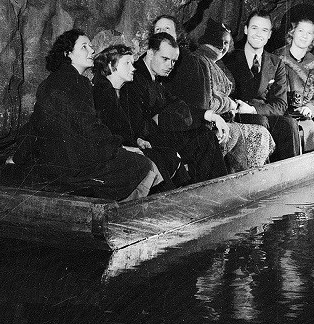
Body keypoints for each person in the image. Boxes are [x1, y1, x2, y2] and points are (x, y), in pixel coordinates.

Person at [25, 30, 160, 201]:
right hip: (76, 168)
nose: (92, 51)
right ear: (68, 54)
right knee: (143, 165)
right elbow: (89, 126)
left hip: (53, 164)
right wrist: (120, 147)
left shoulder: (47, 83)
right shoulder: (79, 82)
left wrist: (17, 158)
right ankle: (118, 213)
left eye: (90, 46)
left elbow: (33, 125)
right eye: (84, 47)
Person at [166, 19, 274, 171]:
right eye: (219, 42)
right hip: (204, 123)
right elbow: (206, 102)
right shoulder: (200, 61)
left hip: (218, 117)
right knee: (259, 132)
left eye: (226, 44)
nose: (223, 47)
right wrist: (230, 104)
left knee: (260, 125)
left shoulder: (215, 62)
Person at [127, 32, 229, 182]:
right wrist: (158, 120)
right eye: (165, 59)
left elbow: (176, 103)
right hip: (147, 141)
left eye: (173, 61)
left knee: (205, 136)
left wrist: (211, 115)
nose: (170, 66)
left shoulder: (153, 77)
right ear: (150, 53)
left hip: (157, 135)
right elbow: (136, 124)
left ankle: (216, 189)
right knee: (203, 140)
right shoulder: (135, 78)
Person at [92, 43, 187, 186]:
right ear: (112, 66)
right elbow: (103, 134)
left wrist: (136, 140)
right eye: (127, 64)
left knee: (168, 156)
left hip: (124, 148)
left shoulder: (116, 91)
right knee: (159, 160)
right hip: (108, 157)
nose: (133, 68)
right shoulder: (103, 92)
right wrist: (129, 146)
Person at [220, 11, 299, 160]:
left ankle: (290, 174)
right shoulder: (228, 59)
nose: (258, 34)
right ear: (246, 30)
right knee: (259, 122)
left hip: (261, 113)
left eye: (264, 30)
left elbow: (281, 105)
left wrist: (253, 109)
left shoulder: (276, 63)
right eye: (254, 28)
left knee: (289, 124)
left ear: (269, 34)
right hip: (237, 115)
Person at [274, 14, 314, 153]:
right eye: (301, 31)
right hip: (278, 115)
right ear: (292, 32)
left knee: (312, 132)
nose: (304, 36)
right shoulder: (276, 58)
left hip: (301, 116)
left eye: (309, 33)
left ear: (313, 38)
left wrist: (310, 107)